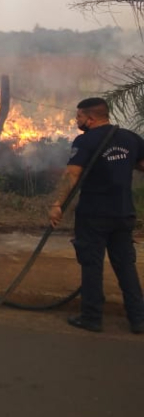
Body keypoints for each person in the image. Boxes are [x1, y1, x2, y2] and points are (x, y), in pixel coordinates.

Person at [48, 97, 144, 334]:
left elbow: (71, 175)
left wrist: (57, 204)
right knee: (126, 267)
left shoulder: (86, 140)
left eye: (79, 116)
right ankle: (139, 319)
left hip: (93, 215)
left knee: (91, 265)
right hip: (123, 213)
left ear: (90, 118)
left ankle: (91, 318)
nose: (77, 120)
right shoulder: (131, 138)